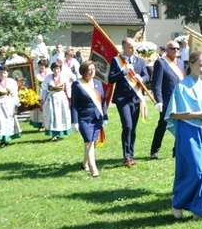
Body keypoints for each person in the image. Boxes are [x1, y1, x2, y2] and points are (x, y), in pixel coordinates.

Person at [166, 51, 202, 222]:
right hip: (188, 131)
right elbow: (174, 114)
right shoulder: (181, 87)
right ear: (191, 65)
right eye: (201, 65)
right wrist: (195, 114)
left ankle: (200, 211)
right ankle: (178, 202)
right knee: (195, 172)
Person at [108, 37, 150, 167]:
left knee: (133, 128)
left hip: (135, 98)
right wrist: (123, 72)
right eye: (131, 47)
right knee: (127, 126)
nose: (133, 49)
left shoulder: (140, 61)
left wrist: (141, 78)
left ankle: (131, 154)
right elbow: (111, 79)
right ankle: (126, 156)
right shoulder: (116, 61)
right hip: (122, 99)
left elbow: (147, 76)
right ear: (124, 47)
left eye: (134, 47)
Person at [71, 61, 108, 177]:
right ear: (84, 71)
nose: (92, 72)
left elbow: (103, 101)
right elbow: (74, 104)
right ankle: (94, 168)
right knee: (89, 142)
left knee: (93, 141)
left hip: (97, 117)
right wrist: (75, 121)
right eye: (89, 69)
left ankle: (85, 163)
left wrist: (105, 116)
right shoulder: (77, 84)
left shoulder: (98, 83)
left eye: (93, 69)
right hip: (84, 118)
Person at [149, 40, 185, 159]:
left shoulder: (180, 63)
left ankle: (177, 150)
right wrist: (158, 100)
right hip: (166, 100)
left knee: (180, 125)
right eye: (173, 48)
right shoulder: (161, 63)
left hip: (180, 100)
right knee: (163, 125)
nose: (175, 51)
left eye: (177, 49)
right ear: (167, 50)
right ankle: (154, 150)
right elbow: (156, 84)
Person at [0, 65, 22, 147]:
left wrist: (16, 105)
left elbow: (14, 95)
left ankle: (7, 138)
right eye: (1, 73)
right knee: (0, 121)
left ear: (7, 73)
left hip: (9, 103)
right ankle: (2, 140)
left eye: (5, 73)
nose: (3, 75)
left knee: (9, 121)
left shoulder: (12, 82)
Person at [40, 61, 72, 141]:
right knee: (52, 115)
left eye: (57, 69)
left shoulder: (64, 77)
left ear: (60, 69)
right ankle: (53, 135)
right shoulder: (48, 78)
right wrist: (42, 99)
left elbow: (67, 88)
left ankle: (60, 132)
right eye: (54, 69)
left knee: (61, 115)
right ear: (52, 69)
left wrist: (70, 97)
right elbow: (44, 89)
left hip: (61, 98)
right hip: (51, 98)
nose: (56, 71)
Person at [30, 59, 50, 130]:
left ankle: (46, 124)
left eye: (43, 66)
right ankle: (39, 125)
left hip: (46, 92)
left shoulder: (49, 73)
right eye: (40, 65)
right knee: (38, 108)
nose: (41, 67)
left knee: (46, 108)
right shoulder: (36, 73)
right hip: (38, 92)